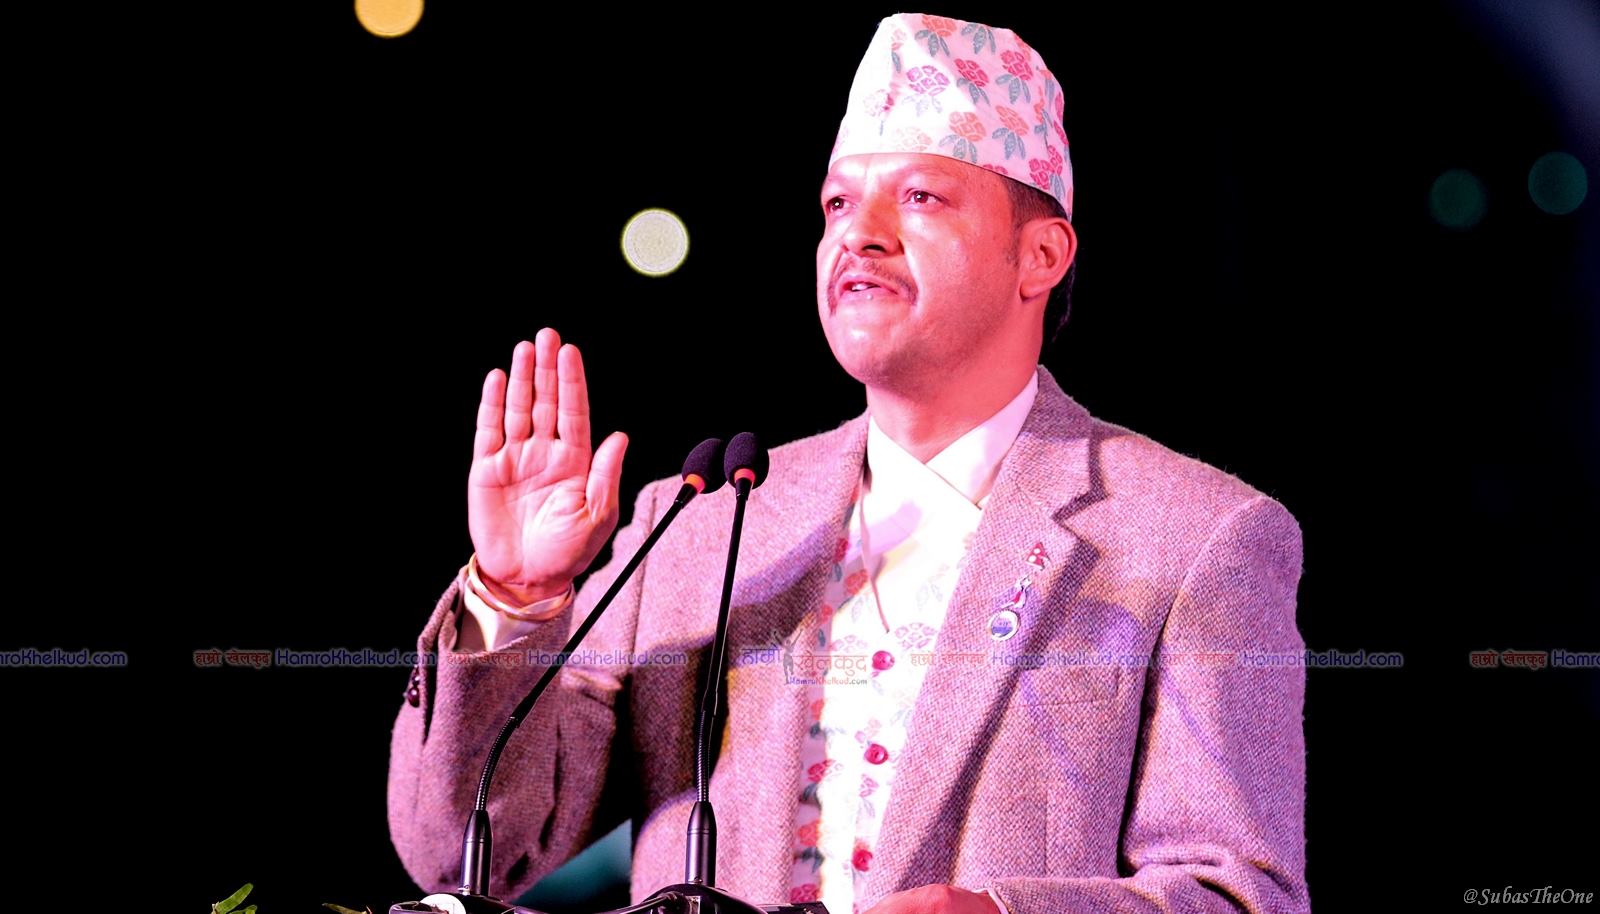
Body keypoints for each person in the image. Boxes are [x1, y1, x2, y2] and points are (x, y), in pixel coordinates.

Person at [389, 13, 1308, 914]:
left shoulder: (1193, 538)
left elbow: (1241, 895)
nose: (857, 234)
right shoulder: (703, 523)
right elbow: (466, 854)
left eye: (920, 197)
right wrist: (515, 598)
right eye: (836, 204)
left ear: (1040, 256)